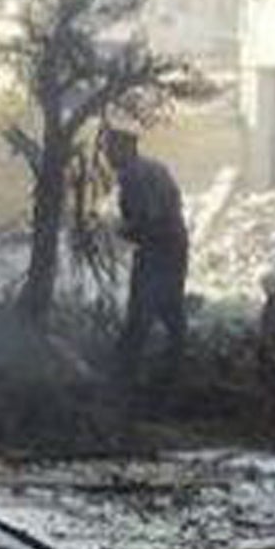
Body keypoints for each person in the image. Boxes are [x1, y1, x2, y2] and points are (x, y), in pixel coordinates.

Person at [103, 128, 188, 388]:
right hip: (175, 246)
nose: (107, 156)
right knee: (171, 309)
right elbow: (174, 205)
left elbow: (147, 218)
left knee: (140, 313)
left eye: (111, 150)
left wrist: (119, 230)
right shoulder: (155, 167)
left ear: (125, 148)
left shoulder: (132, 176)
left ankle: (123, 377)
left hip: (157, 250)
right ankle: (175, 368)